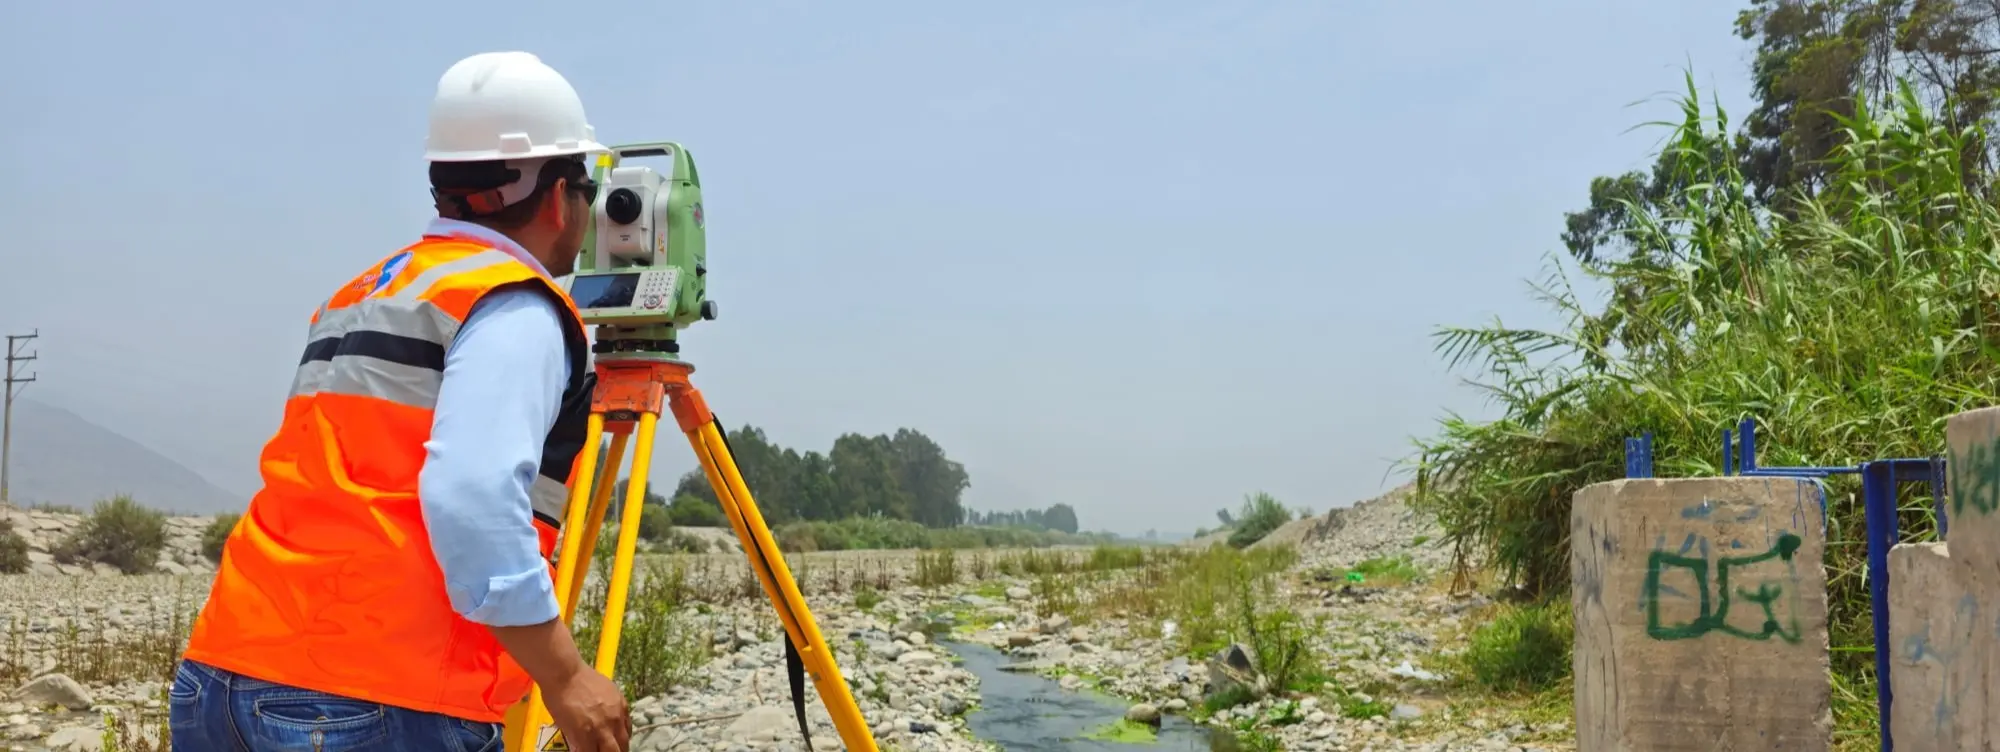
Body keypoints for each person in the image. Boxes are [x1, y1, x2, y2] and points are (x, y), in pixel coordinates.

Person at [168, 51, 632, 752]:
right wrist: (564, 677)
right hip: (375, 701)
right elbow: (472, 496)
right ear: (559, 195)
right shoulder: (514, 306)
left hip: (225, 677)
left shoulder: (368, 291)